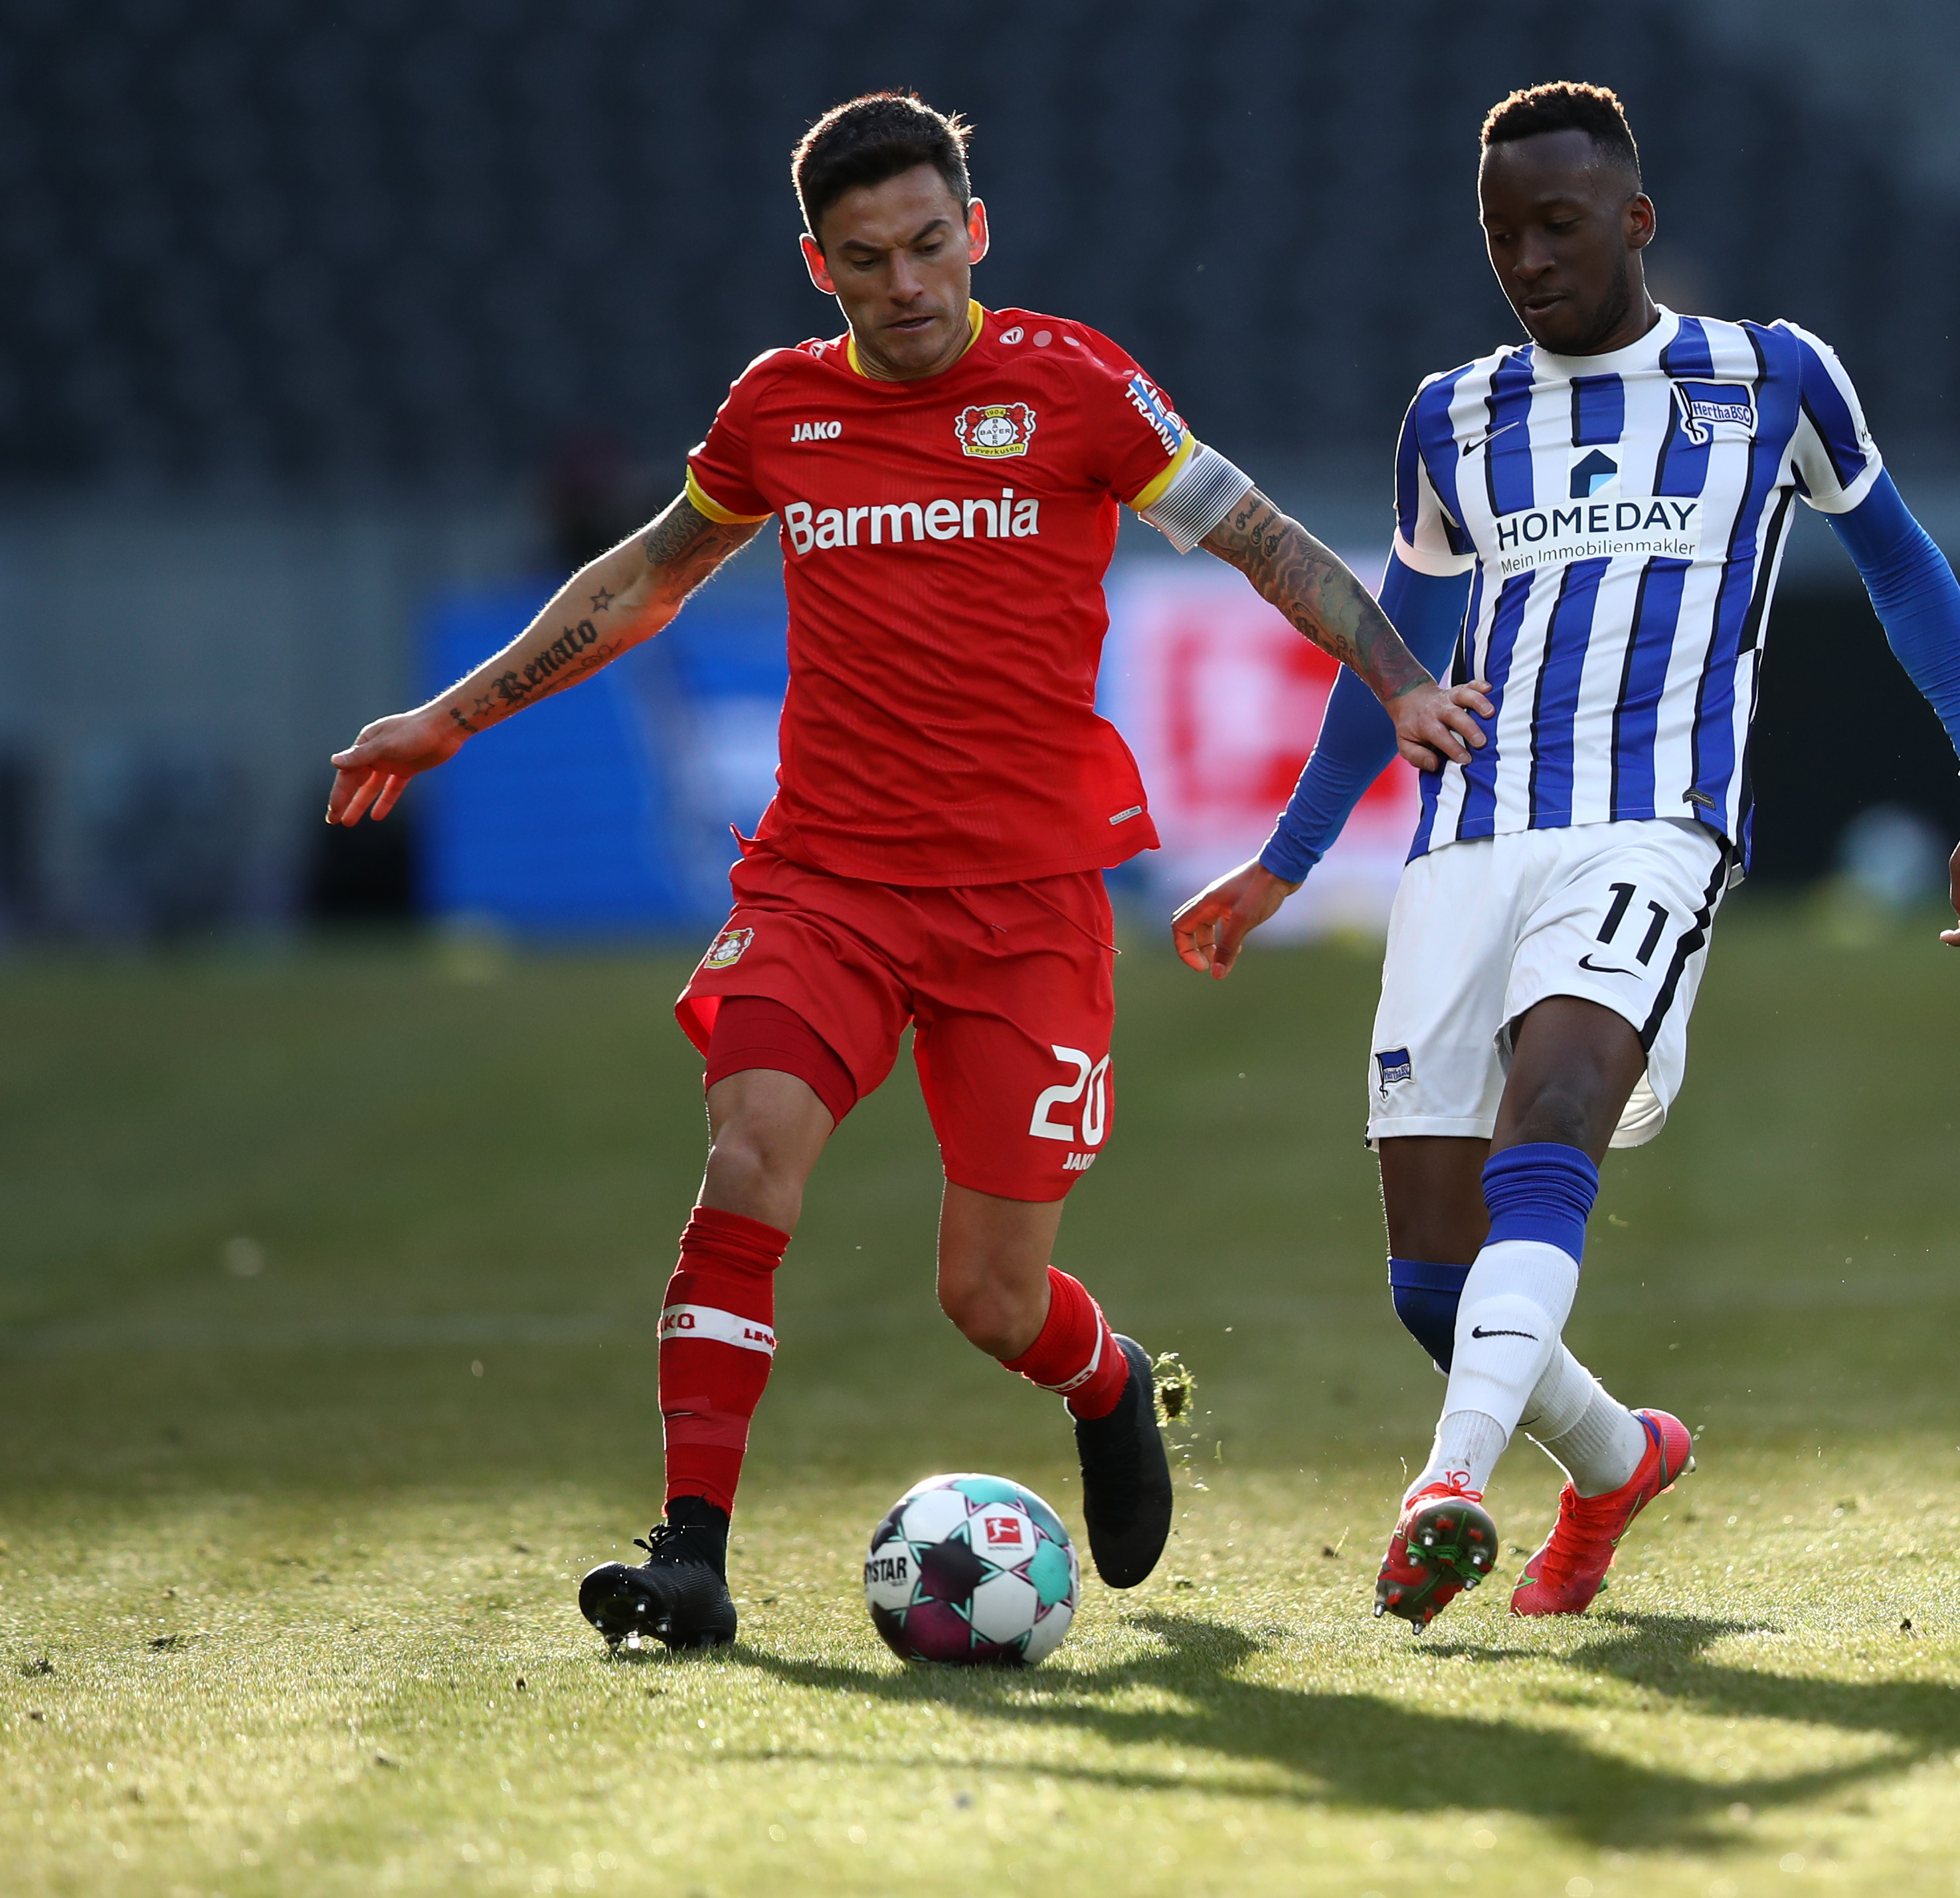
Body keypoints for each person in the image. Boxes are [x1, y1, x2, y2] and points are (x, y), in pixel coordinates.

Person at [325, 93, 1486, 1650]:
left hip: (1025, 909)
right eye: (867, 259)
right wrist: (451, 716)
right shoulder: (777, 415)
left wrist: (1403, 678)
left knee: (992, 1301)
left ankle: (1110, 1378)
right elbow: (650, 575)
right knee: (746, 1159)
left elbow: (1260, 538)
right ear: (821, 264)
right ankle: (691, 1554)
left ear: (974, 233)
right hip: (828, 883)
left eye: (930, 245)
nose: (908, 284)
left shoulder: (1077, 389)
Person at [1170, 82, 1960, 1633]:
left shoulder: (1770, 379)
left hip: (1655, 822)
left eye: (1557, 225)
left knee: (1559, 1097)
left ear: (1634, 221)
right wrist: (1285, 866)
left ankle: (1442, 1486)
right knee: (1432, 1286)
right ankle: (1613, 1457)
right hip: (1465, 845)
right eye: (1499, 232)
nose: (1525, 258)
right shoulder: (1449, 418)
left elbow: (1904, 568)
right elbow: (1397, 657)